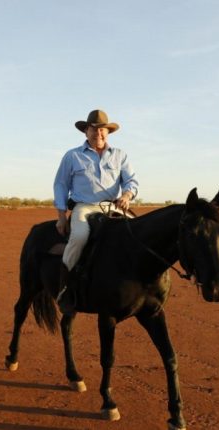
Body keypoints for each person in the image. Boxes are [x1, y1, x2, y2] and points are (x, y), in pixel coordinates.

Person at [53, 109, 139, 313]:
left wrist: (127, 195)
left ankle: (138, 282)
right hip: (84, 207)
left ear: (108, 132)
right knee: (80, 237)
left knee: (136, 234)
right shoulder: (72, 156)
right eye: (93, 129)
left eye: (102, 130)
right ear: (86, 132)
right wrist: (61, 216)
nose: (98, 133)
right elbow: (60, 185)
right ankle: (64, 287)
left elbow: (131, 181)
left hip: (113, 206)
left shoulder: (120, 156)